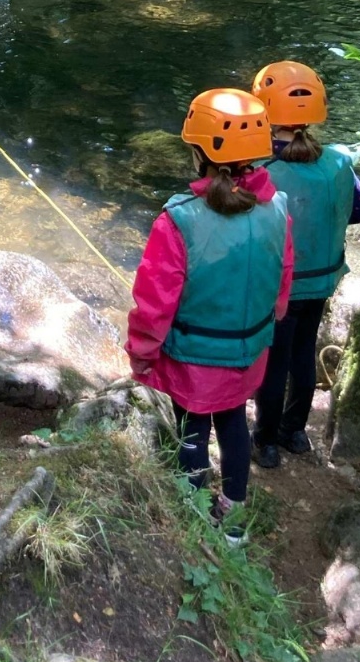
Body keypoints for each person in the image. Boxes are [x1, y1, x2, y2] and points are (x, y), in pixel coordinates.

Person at [126, 88, 294, 541]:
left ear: (199, 153)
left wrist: (141, 353)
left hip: (194, 359)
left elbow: (154, 302)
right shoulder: (277, 207)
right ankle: (233, 520)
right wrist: (271, 320)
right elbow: (283, 278)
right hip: (249, 351)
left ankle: (194, 514)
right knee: (234, 420)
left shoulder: (177, 220)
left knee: (193, 428)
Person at [250, 61, 360, 468]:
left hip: (279, 286)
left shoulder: (259, 169)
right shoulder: (337, 162)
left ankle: (266, 441)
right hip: (321, 279)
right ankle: (295, 432)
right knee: (303, 352)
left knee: (275, 360)